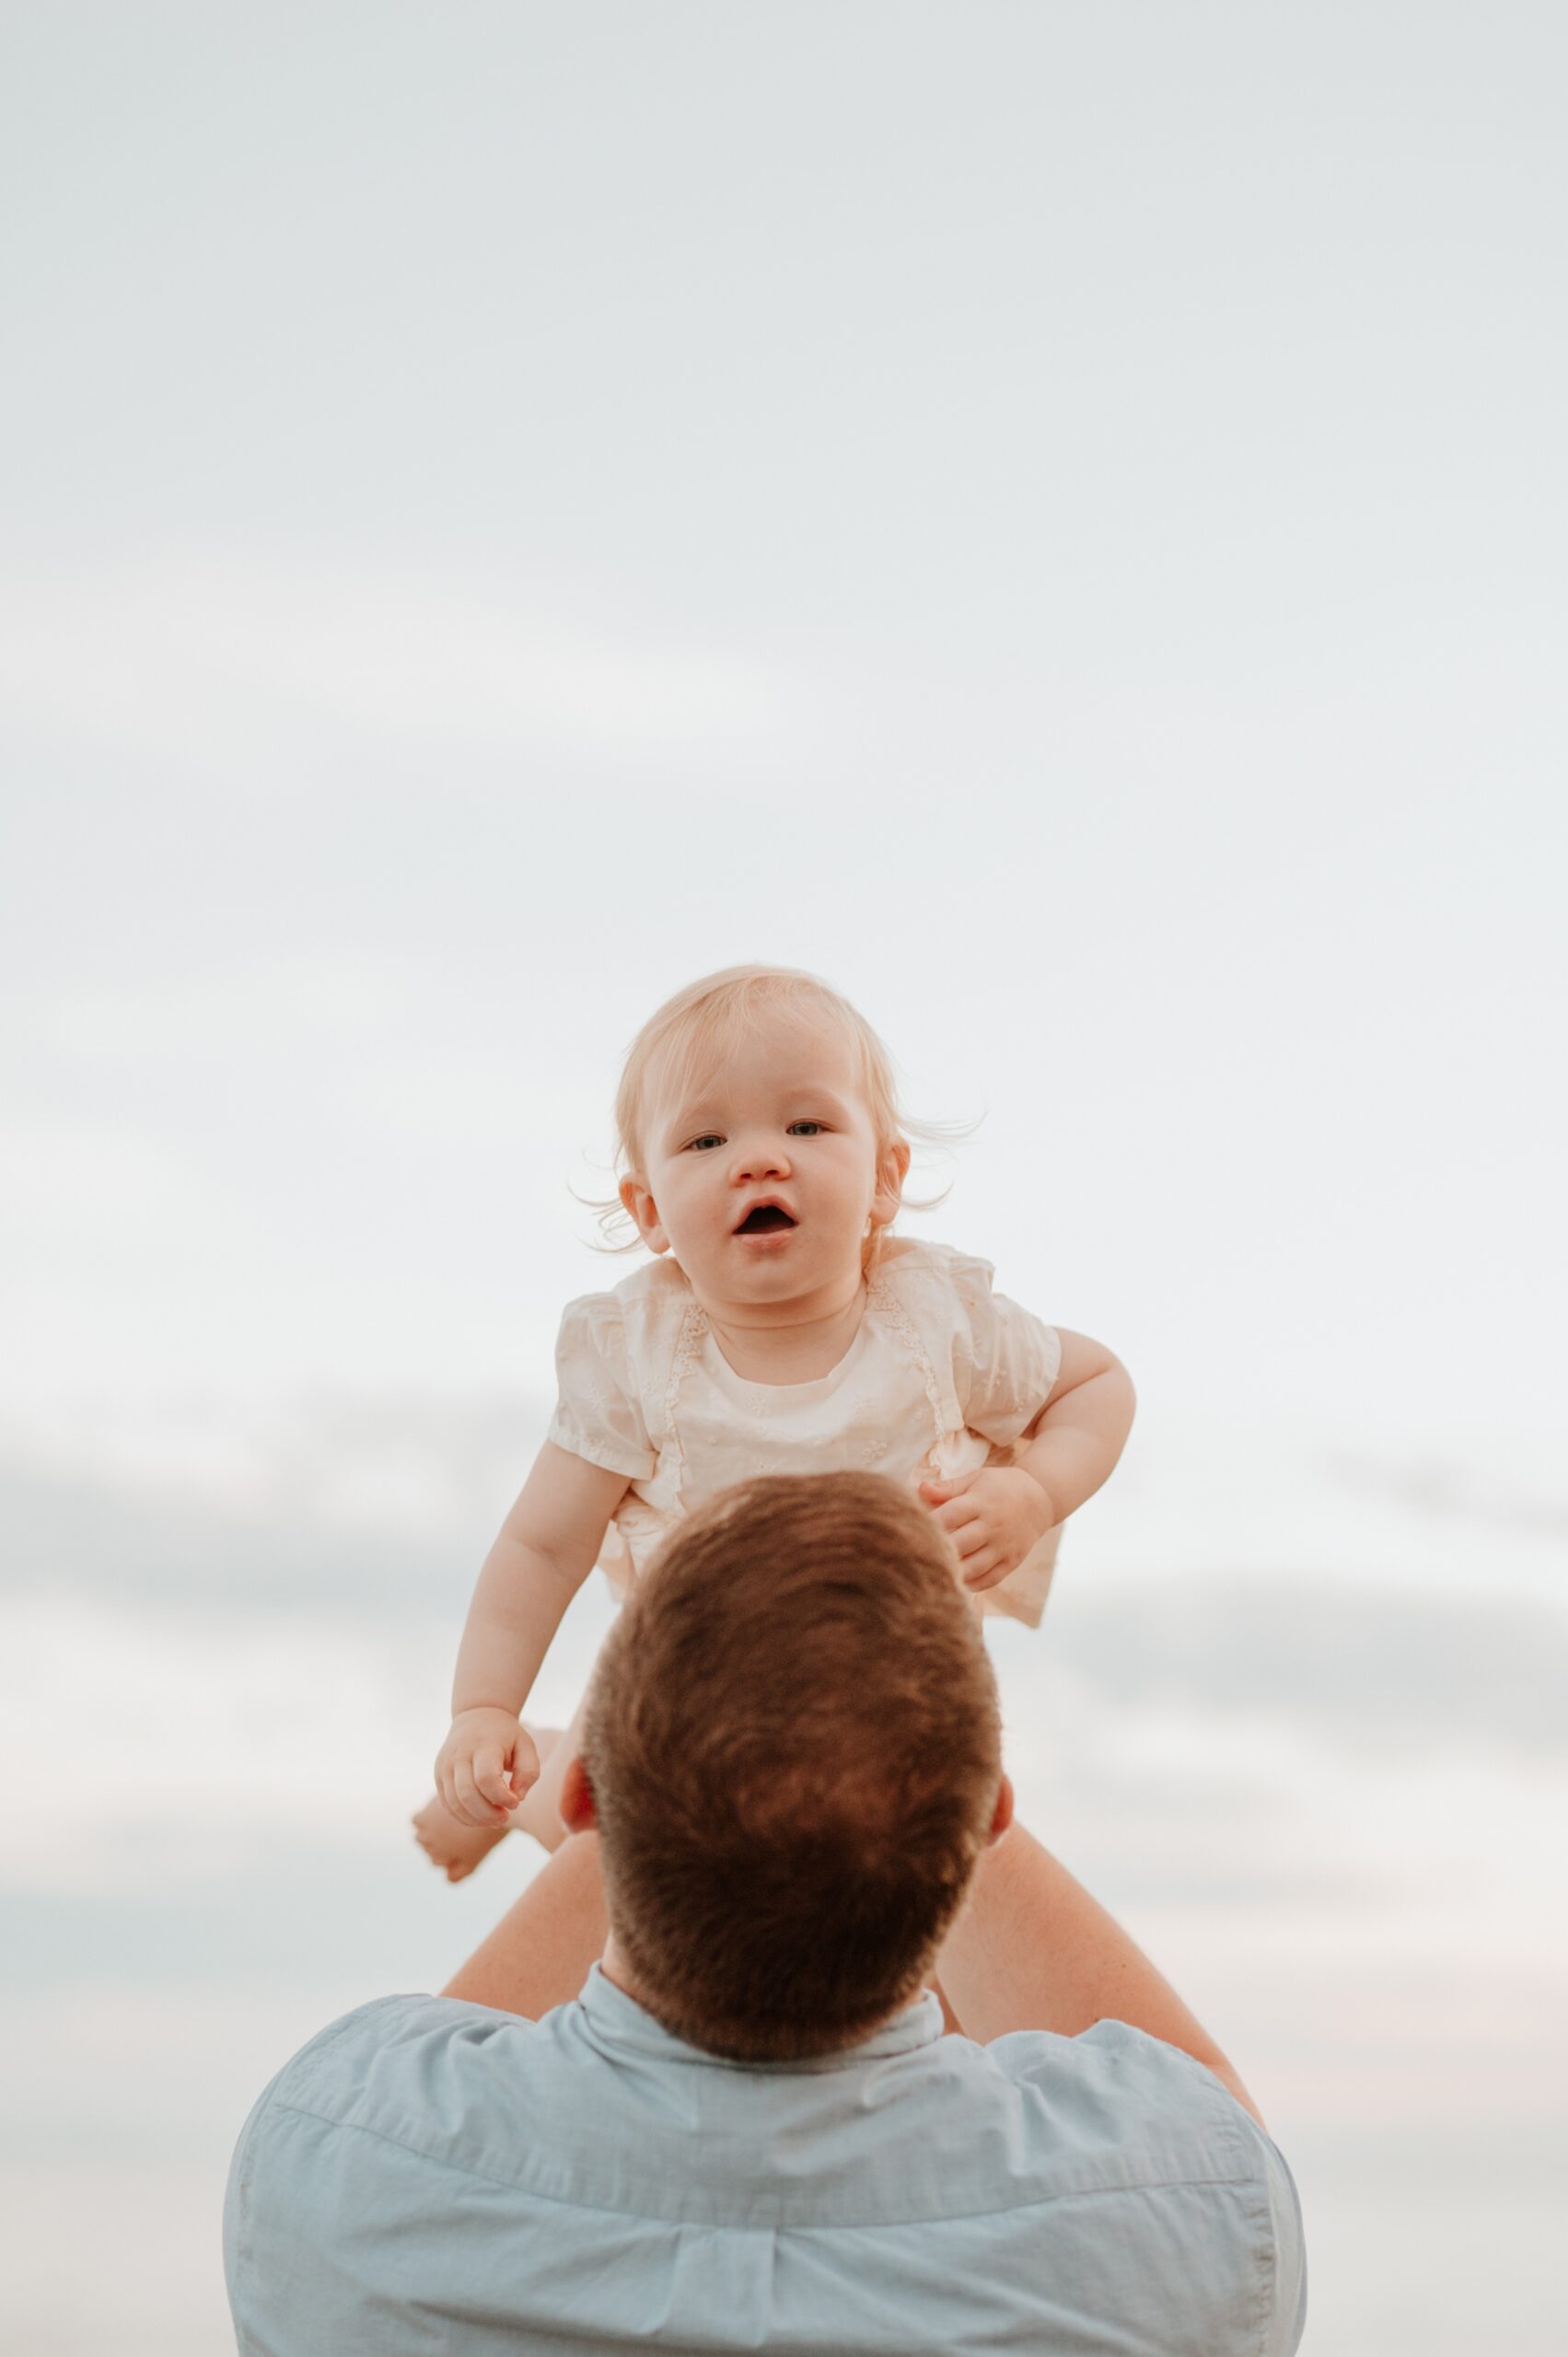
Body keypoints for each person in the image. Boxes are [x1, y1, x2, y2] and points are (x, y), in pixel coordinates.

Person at [226, 1472, 1307, 2356]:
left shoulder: (332, 2171)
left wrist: (633, 1759)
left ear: (582, 1803)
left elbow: (452, 2080)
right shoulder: (1174, 2237)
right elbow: (1209, 2117)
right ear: (984, 1829)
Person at [412, 961, 1136, 1877]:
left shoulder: (937, 1324)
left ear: (883, 1178)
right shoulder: (635, 1354)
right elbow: (542, 1547)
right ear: (647, 1210)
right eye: (706, 1139)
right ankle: (526, 1782)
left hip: (887, 1700)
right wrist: (482, 1709)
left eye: (805, 1124)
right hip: (684, 1692)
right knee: (606, 1853)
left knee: (914, 1890)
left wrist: (1034, 1489)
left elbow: (1097, 1382)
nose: (759, 1157)